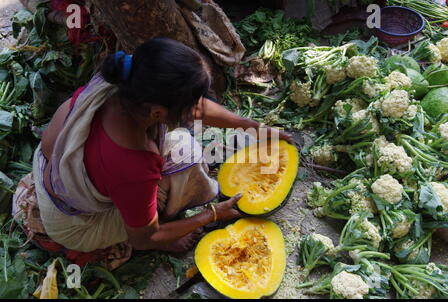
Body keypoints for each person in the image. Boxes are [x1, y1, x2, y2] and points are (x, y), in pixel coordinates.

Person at [12, 37, 294, 267]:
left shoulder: (123, 80)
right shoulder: (133, 164)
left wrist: (256, 128)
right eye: (192, 103)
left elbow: (198, 109)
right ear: (158, 112)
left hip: (52, 169)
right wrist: (211, 214)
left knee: (179, 143)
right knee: (187, 155)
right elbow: (144, 238)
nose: (198, 109)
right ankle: (166, 238)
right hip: (75, 224)